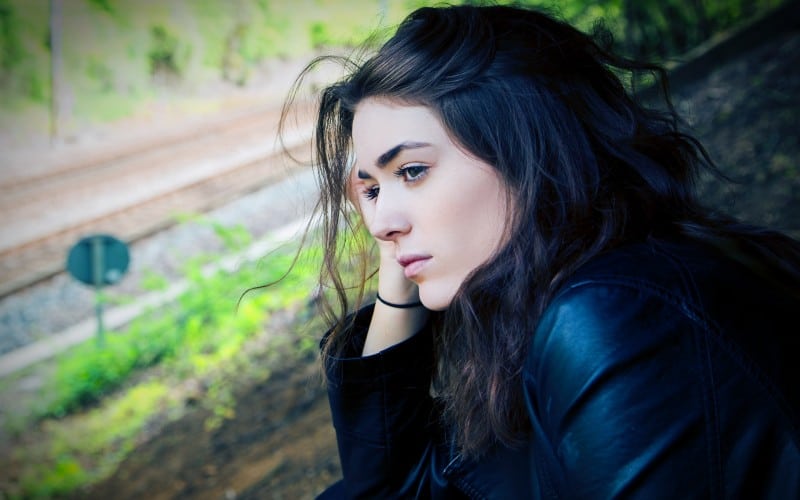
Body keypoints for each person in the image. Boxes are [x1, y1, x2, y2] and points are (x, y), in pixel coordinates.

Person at [277, 3, 800, 498]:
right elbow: (393, 489)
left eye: (412, 171)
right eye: (370, 190)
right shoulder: (541, 309)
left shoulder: (616, 316)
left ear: (525, 152)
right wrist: (397, 296)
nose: (381, 224)